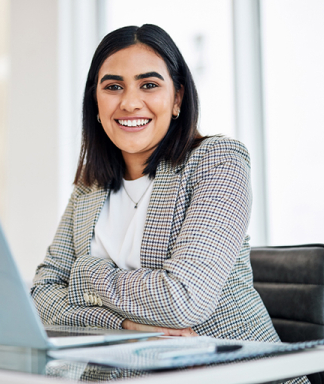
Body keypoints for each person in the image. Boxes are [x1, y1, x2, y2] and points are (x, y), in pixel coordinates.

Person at [31, 24, 279, 342]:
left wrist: (86, 273)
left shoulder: (218, 160)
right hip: (122, 371)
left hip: (231, 369)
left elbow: (183, 301)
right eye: (113, 87)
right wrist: (122, 326)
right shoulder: (89, 186)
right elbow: (40, 297)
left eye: (148, 85)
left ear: (177, 98)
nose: (130, 103)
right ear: (95, 101)